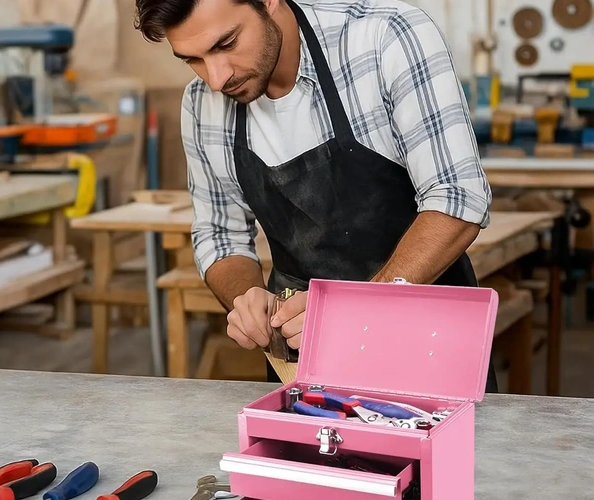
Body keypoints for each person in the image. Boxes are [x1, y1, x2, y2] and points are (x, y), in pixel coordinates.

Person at [134, 0, 498, 392]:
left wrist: (351, 311)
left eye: (227, 43)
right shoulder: (201, 103)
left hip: (430, 342)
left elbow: (457, 198)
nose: (217, 78)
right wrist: (248, 300)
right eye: (193, 59)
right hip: (302, 355)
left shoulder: (385, 38)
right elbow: (220, 233)